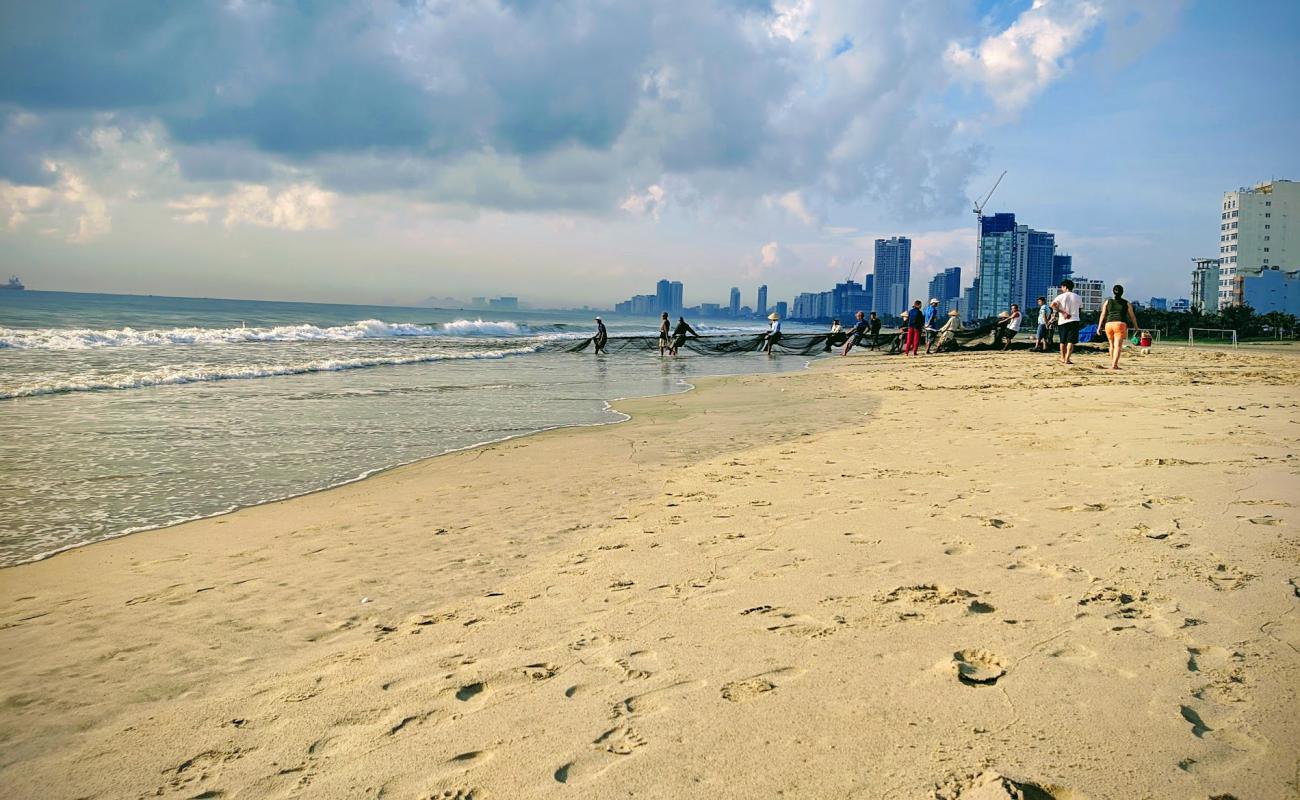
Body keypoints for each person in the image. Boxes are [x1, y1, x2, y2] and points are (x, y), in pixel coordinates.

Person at [1097, 284, 1140, 370]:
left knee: (1111, 345)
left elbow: (1103, 314)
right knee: (1118, 346)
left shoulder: (1107, 302)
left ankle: (1113, 362)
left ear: (1113, 292)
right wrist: (1136, 327)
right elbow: (1132, 316)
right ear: (1122, 293)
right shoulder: (1126, 303)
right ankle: (1114, 365)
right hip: (1120, 324)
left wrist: (1099, 327)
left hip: (1108, 325)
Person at [1050, 279, 1083, 365]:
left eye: (1062, 287)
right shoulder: (1078, 297)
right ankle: (1067, 359)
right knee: (1071, 341)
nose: (1061, 288)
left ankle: (1062, 357)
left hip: (1063, 321)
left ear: (1065, 287)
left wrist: (1063, 312)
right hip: (1075, 320)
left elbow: (1052, 305)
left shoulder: (1060, 296)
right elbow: (1080, 310)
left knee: (1063, 341)